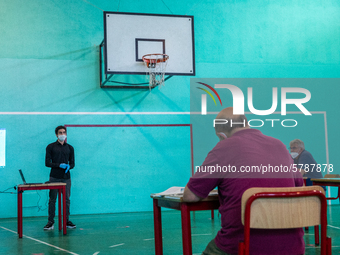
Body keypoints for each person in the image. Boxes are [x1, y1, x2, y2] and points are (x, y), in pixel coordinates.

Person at [183, 107, 304, 255]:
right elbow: (299, 185)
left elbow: (190, 195)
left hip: (243, 245)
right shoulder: (280, 145)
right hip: (293, 246)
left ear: (221, 135)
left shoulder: (223, 147)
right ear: (246, 122)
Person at [44, 125, 76, 230]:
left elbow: (72, 163)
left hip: (66, 177)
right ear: (57, 134)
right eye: (60, 133)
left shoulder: (70, 148)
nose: (62, 134)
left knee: (66, 200)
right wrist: (59, 165)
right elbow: (47, 163)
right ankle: (50, 222)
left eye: (64, 132)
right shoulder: (50, 147)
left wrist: (68, 166)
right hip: (54, 177)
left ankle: (66, 221)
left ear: (66, 134)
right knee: (52, 200)